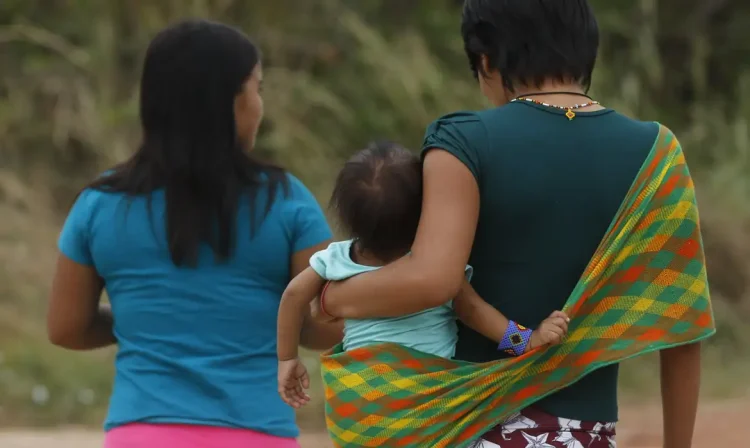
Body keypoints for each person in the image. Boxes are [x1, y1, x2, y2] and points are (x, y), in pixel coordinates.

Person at [319, 1, 703, 447]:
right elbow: (683, 327)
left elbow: (434, 279)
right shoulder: (657, 154)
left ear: (486, 60)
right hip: (584, 435)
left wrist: (332, 296)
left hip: (469, 426)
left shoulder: (462, 140)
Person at [46, 20, 341, 448]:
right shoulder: (286, 200)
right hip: (256, 436)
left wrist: (146, 319)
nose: (260, 104)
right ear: (230, 101)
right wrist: (262, 318)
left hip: (140, 435)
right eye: (257, 89)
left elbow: (66, 327)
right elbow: (329, 327)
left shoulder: (100, 202)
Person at [274, 141, 569, 408]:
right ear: (425, 210)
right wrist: (527, 341)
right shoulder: (434, 268)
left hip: (361, 399)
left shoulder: (336, 259)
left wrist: (287, 358)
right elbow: (476, 311)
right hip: (423, 397)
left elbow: (293, 295)